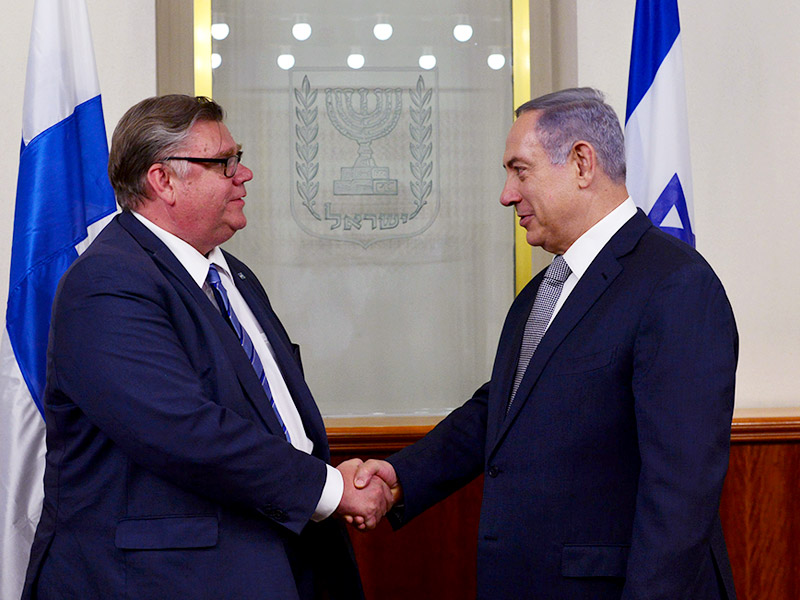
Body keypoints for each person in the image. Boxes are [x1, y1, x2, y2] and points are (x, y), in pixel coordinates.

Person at [354, 88, 738, 599]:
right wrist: (402, 474)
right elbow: (506, 407)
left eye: (520, 170)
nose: (506, 194)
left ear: (581, 162)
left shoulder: (676, 285)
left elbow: (681, 493)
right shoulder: (545, 288)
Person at [22, 95, 392, 600]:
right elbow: (184, 431)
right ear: (163, 180)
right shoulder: (107, 284)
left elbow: (264, 414)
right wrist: (329, 489)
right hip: (157, 581)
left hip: (279, 559)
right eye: (224, 163)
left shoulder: (231, 274)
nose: (244, 175)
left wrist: (322, 474)